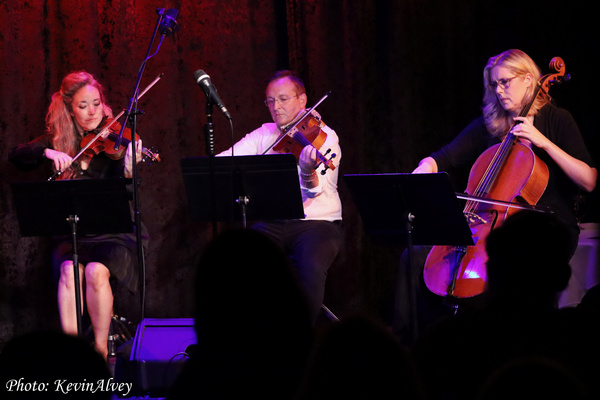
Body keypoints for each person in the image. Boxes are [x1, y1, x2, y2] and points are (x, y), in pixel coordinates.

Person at [394, 49, 597, 343]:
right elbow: (443, 157)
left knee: (505, 269)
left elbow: (589, 180)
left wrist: (544, 143)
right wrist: (423, 169)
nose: (499, 91)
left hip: (548, 228)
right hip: (493, 226)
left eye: (505, 82)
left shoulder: (556, 119)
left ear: (529, 80)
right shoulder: (491, 123)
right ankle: (422, 342)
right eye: (494, 84)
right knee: (414, 257)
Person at [8, 71, 146, 360]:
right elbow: (18, 154)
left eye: (96, 103)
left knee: (96, 271)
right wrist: (48, 152)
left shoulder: (117, 136)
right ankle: (71, 355)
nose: (93, 112)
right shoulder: (58, 137)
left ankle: (99, 352)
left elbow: (128, 194)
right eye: (83, 106)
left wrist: (130, 171)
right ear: (69, 108)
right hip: (74, 233)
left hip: (115, 233)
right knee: (70, 270)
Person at [218, 70, 343, 323]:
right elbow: (224, 161)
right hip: (275, 221)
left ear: (302, 100)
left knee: (311, 268)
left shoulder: (326, 137)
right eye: (270, 101)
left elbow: (315, 190)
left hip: (317, 223)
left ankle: (301, 341)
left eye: (283, 99)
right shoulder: (265, 133)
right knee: (236, 258)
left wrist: (308, 171)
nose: (276, 107)